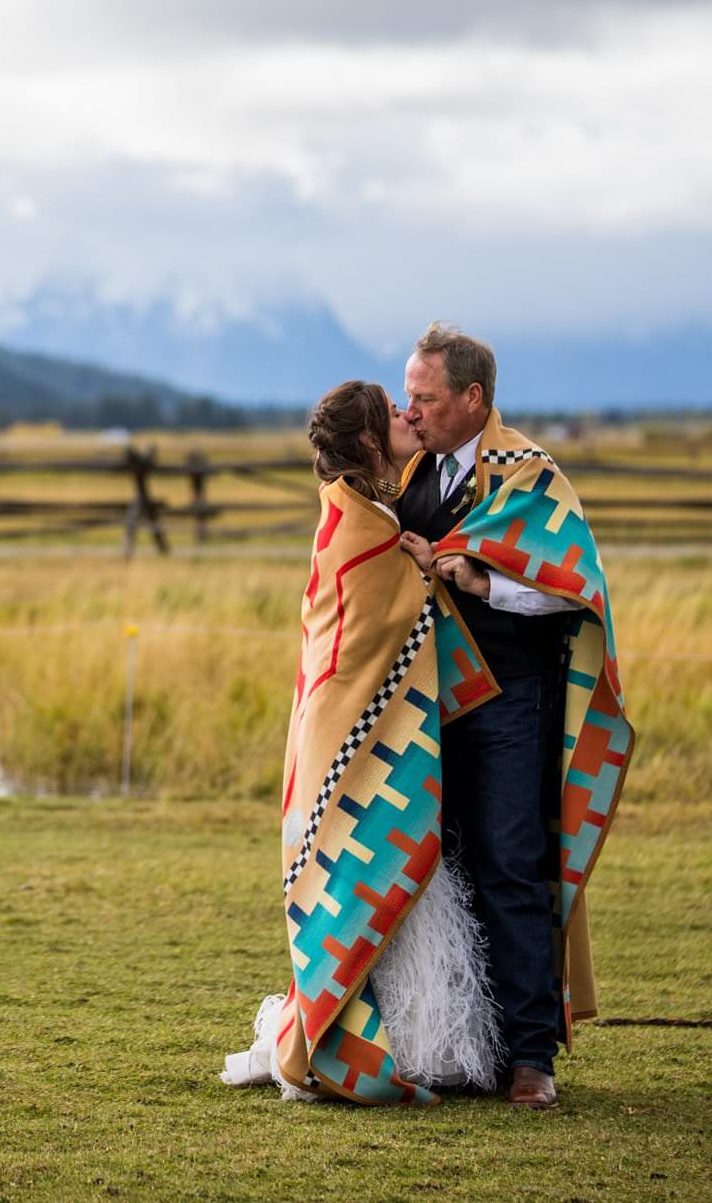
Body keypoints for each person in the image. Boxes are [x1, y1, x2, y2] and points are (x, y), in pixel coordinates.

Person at [222, 379, 504, 1106]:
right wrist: (429, 569)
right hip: (348, 738)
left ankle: (420, 1041)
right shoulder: (363, 526)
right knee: (367, 875)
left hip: (346, 733)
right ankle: (377, 1045)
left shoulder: (365, 512)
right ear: (373, 440)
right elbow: (371, 634)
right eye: (395, 412)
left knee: (386, 887)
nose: (411, 416)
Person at [396, 322, 636, 1108]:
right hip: (430, 704)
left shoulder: (530, 476)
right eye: (409, 396)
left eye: (426, 397)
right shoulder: (413, 477)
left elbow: (575, 583)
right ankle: (469, 1047)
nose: (413, 410)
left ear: (473, 397)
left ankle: (532, 1057)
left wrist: (483, 582)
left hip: (511, 698)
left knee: (511, 863)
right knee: (443, 863)